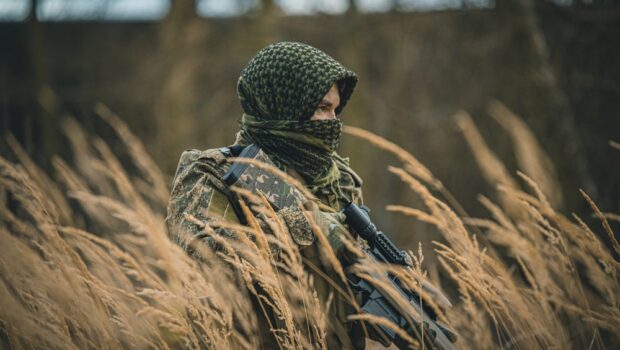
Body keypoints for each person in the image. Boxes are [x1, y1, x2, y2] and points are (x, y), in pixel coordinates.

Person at [166, 41, 367, 348]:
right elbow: (209, 269)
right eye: (322, 108)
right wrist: (311, 228)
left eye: (336, 110)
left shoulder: (338, 183)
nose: (333, 123)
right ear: (284, 106)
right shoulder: (213, 174)